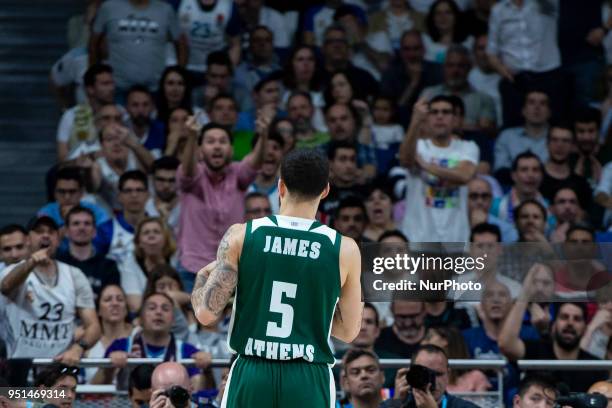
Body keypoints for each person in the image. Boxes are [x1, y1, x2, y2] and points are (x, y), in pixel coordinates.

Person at [191, 148, 363, 407]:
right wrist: (312, 310)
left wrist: (201, 278)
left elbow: (206, 315)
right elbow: (348, 332)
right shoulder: (345, 249)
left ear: (281, 186)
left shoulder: (240, 236)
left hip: (252, 370)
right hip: (308, 375)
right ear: (325, 190)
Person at [177, 115, 267, 292]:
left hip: (231, 269)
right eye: (210, 141)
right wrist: (192, 137)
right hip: (193, 270)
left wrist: (263, 136)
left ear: (231, 150)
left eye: (222, 141)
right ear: (200, 151)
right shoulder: (194, 178)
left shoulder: (238, 175)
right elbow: (187, 171)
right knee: (196, 320)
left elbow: (255, 163)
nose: (217, 146)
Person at [0, 216, 100, 364]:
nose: (45, 235)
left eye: (51, 232)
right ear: (27, 240)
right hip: (20, 367)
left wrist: (78, 348)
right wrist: (31, 262)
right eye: (39, 231)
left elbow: (93, 325)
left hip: (59, 368)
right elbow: (6, 286)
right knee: (14, 390)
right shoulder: (13, 271)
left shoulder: (74, 275)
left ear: (58, 239)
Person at [399, 95, 479, 242]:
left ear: (455, 119)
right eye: (434, 112)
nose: (440, 116)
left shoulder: (468, 148)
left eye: (446, 112)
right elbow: (405, 160)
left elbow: (464, 175)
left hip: (455, 238)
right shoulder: (419, 146)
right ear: (427, 118)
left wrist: (425, 165)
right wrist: (415, 121)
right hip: (417, 237)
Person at [499, 289, 608, 391]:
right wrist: (526, 294)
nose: (570, 323)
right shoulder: (535, 351)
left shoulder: (595, 367)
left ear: (585, 328)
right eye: (564, 317)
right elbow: (506, 345)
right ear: (554, 325)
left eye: (577, 319)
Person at [486, 0, 567, 128]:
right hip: (515, 79)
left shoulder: (546, 4)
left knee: (556, 127)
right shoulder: (498, 10)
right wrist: (502, 70)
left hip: (548, 76)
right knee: (513, 128)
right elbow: (491, 52)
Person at [103, 292, 209, 390]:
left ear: (173, 320)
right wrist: (109, 368)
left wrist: (206, 368)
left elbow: (198, 389)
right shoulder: (120, 346)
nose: (159, 312)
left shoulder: (188, 351)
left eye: (165, 309)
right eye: (152, 308)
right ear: (140, 318)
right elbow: (96, 386)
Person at [462, 280, 540, 404]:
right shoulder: (467, 337)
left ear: (512, 304)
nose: (496, 300)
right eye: (490, 295)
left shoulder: (528, 334)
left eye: (502, 295)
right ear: (481, 305)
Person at [89, 0, 187, 95]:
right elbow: (93, 44)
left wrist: (179, 74)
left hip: (156, 89)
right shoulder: (108, 7)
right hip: (116, 88)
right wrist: (93, 77)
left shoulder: (165, 10)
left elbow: (181, 45)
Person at [420, 44, 495, 132]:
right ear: (443, 67)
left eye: (461, 66)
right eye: (450, 65)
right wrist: (469, 127)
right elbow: (420, 126)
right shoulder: (428, 94)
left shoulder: (483, 99)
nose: (455, 70)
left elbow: (486, 131)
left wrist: (442, 127)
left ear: (469, 68)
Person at [381, 344, 479, 408]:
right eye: (426, 374)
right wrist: (396, 402)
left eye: (438, 374)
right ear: (412, 374)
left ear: (448, 375)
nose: (432, 381)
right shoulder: (395, 404)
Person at [380, 30, 443, 127]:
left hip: (432, 123)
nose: (412, 54)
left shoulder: (437, 71)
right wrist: (413, 84)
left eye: (416, 49)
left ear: (423, 50)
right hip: (399, 126)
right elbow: (391, 113)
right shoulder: (390, 74)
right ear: (400, 51)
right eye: (407, 49)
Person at [56, 206, 121, 300]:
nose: (82, 228)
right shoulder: (57, 264)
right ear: (66, 231)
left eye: (87, 223)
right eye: (76, 223)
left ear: (94, 231)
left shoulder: (109, 266)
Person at [55, 64, 116, 162]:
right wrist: (91, 157)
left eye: (112, 83)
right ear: (90, 89)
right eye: (105, 84)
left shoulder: (121, 114)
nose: (112, 88)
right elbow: (62, 158)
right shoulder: (70, 116)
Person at [120, 217, 176, 313]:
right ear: (139, 242)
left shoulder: (177, 262)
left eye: (156, 232)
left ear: (165, 239)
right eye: (146, 233)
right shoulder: (130, 265)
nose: (151, 236)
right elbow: (135, 306)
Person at [493, 90, 551, 184]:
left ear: (549, 112)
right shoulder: (507, 136)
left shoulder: (557, 138)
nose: (537, 107)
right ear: (523, 110)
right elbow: (501, 171)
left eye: (543, 103)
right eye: (532, 102)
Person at [94, 170, 150, 263]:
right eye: (128, 191)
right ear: (119, 196)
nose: (134, 195)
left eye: (139, 190)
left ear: (147, 195)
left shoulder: (160, 228)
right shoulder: (105, 230)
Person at [178, 0, 241, 79]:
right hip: (184, 67)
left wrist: (228, 74)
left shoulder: (228, 6)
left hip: (215, 71)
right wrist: (178, 70)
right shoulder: (179, 2)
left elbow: (235, 45)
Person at [87, 284, 134, 384]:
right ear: (98, 310)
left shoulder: (138, 336)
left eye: (120, 299)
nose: (115, 303)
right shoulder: (89, 341)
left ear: (126, 309)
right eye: (108, 300)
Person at [541, 125, 593, 211]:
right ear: (547, 143)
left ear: (573, 146)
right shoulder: (534, 179)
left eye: (565, 141)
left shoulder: (581, 184)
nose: (559, 145)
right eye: (554, 140)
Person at [38, 166, 109, 228]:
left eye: (72, 191)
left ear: (81, 192)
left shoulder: (96, 212)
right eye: (62, 191)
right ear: (54, 193)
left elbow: (103, 238)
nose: (67, 197)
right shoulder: (46, 213)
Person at [491, 152, 547, 224]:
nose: (530, 175)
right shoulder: (494, 207)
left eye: (535, 170)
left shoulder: (550, 210)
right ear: (513, 175)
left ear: (541, 176)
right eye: (524, 170)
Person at [467, 178, 518, 242]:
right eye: (474, 196)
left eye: (484, 196)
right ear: (465, 199)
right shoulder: (454, 225)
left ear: (491, 199)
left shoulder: (507, 230)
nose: (479, 201)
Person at [246, 130, 284, 214]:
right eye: (264, 147)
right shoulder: (241, 188)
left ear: (282, 154)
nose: (270, 152)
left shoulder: (288, 192)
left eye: (275, 148)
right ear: (253, 154)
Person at [422, 0, 471, 64]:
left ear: (456, 16)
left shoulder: (469, 42)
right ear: (432, 18)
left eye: (448, 12)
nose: (443, 17)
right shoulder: (425, 42)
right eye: (438, 13)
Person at [125, 85, 166, 158]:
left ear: (152, 107)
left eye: (145, 105)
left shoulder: (162, 129)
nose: (141, 110)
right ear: (127, 108)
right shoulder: (120, 130)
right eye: (135, 105)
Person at [147, 156, 181, 233]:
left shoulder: (188, 210)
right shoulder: (143, 209)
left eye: (172, 180)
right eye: (161, 179)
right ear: (152, 180)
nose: (166, 186)